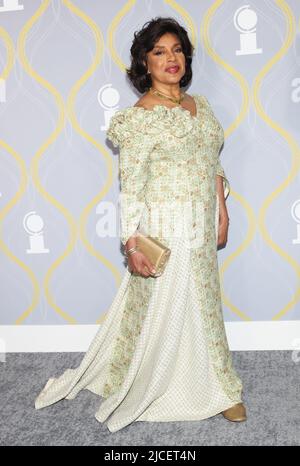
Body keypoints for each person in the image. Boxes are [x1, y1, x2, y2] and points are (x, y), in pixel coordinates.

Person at [34, 16, 246, 433]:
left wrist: (222, 210)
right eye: (159, 52)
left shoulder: (199, 106)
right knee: (167, 306)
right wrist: (132, 242)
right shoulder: (139, 117)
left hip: (202, 223)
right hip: (166, 224)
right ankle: (200, 389)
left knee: (204, 306)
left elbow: (212, 163)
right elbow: (130, 184)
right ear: (145, 64)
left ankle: (219, 384)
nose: (171, 59)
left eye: (177, 50)